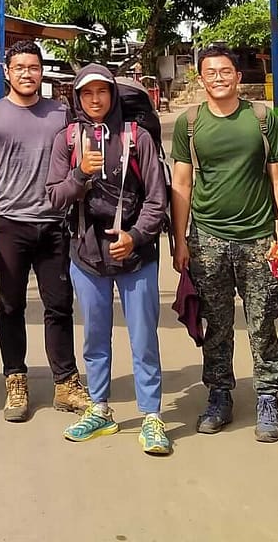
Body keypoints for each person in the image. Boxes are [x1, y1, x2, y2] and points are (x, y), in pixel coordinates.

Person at [170, 44, 278, 442]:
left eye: (226, 71)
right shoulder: (189, 123)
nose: (219, 78)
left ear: (238, 77)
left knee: (262, 321)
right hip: (207, 238)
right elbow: (182, 184)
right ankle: (219, 394)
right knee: (216, 325)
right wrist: (180, 240)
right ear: (201, 78)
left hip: (258, 237)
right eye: (211, 72)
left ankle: (268, 396)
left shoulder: (260, 118)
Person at [46, 64, 171, 455]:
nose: (95, 99)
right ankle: (100, 409)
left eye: (102, 92)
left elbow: (157, 197)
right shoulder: (67, 139)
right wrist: (80, 174)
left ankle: (152, 416)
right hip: (86, 253)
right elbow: (53, 197)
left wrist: (135, 237)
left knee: (143, 338)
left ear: (113, 95)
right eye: (87, 94)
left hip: (136, 253)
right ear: (77, 99)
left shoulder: (137, 138)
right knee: (95, 338)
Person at [0, 40, 90, 422]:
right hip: (9, 223)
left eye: (33, 67)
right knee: (10, 304)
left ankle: (65, 382)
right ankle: (15, 379)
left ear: (41, 71)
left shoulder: (60, 113)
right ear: (7, 72)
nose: (26, 73)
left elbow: (80, 158)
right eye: (19, 67)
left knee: (59, 304)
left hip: (54, 223)